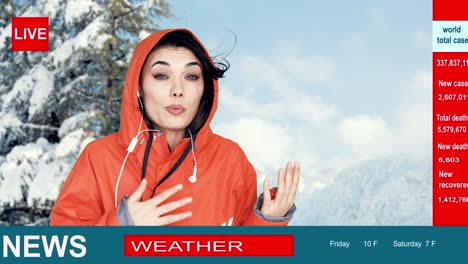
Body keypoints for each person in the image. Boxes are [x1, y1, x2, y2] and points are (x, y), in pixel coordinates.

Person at [50, 28, 300, 226]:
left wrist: (268, 223)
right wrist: (122, 225)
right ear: (138, 86)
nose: (177, 90)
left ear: (205, 89)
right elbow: (64, 246)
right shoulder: (99, 157)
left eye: (191, 77)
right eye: (161, 76)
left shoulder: (229, 159)